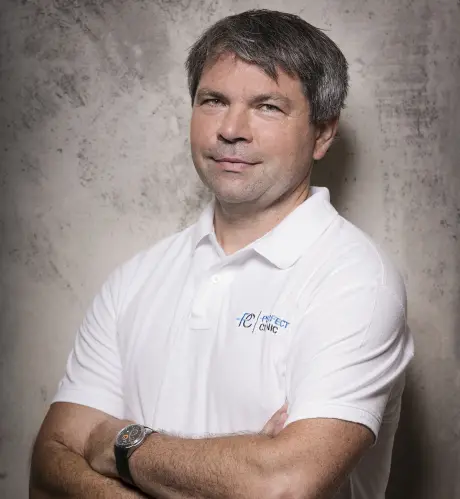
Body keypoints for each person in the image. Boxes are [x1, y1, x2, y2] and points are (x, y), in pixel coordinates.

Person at [30, 9, 414, 499]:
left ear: (322, 133)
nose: (231, 129)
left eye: (267, 107)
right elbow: (48, 469)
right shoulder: (135, 279)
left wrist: (118, 444)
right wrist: (241, 466)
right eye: (213, 100)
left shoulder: (356, 281)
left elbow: (282, 483)